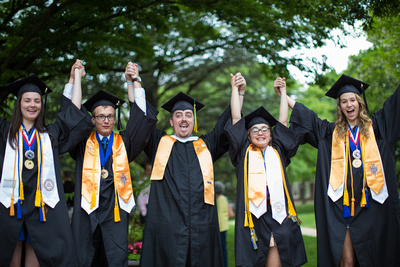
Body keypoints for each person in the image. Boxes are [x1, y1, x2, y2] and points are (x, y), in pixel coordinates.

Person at [287, 74, 400, 266]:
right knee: (346, 261)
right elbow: (309, 119)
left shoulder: (378, 128)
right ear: (339, 106)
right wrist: (285, 96)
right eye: (344, 101)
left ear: (360, 103)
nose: (349, 105)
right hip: (341, 208)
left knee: (372, 259)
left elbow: (395, 105)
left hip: (372, 206)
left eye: (353, 100)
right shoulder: (330, 133)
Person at [138, 80, 241, 266]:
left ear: (194, 120)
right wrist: (135, 84)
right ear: (171, 121)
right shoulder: (160, 144)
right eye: (178, 115)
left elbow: (227, 125)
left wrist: (237, 93)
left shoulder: (206, 145)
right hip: (167, 226)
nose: (183, 119)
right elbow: (143, 120)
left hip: (202, 226)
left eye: (188, 115)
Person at [0, 60, 93, 266]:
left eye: (37, 100)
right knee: (10, 260)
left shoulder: (49, 135)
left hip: (40, 208)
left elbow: (72, 113)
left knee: (36, 259)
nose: (32, 105)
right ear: (19, 103)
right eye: (27, 100)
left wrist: (75, 78)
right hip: (10, 206)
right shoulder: (5, 132)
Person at [68, 62, 158, 267]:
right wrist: (76, 80)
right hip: (86, 213)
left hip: (115, 212)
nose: (106, 120)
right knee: (84, 257)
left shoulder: (123, 142)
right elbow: (72, 118)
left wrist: (133, 81)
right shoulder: (82, 143)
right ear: (92, 119)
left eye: (110, 116)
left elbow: (140, 120)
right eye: (101, 116)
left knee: (114, 259)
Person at [225, 75, 307, 267]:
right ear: (248, 135)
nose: (260, 132)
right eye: (255, 130)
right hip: (253, 217)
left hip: (279, 216)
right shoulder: (242, 153)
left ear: (271, 135)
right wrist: (235, 90)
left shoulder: (278, 151)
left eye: (265, 129)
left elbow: (283, 121)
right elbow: (236, 118)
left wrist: (283, 93)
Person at [215, 180, 234, 267]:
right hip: (224, 226)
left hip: (218, 227)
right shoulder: (224, 198)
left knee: (220, 248)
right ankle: (224, 264)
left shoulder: (217, 200)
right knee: (223, 248)